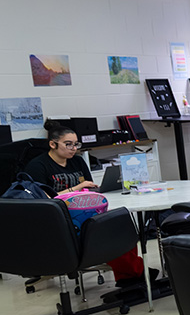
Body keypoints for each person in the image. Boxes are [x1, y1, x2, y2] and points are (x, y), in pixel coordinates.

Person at [23, 120, 150, 287]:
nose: (74, 149)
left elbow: (89, 189)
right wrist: (76, 187)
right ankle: (137, 273)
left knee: (122, 224)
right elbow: (42, 199)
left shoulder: (78, 161)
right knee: (106, 234)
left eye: (76, 144)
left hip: (86, 210)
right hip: (60, 218)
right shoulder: (38, 166)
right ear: (53, 144)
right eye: (68, 144)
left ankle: (129, 275)